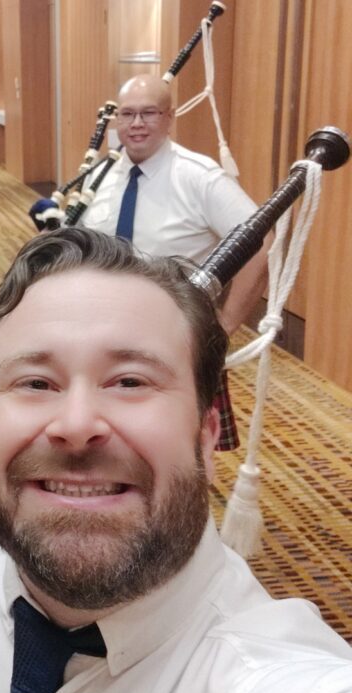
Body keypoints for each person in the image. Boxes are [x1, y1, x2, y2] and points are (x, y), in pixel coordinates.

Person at [0, 228, 352, 693]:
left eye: (129, 381)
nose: (76, 425)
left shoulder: (274, 680)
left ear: (207, 437)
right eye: (36, 383)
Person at [79, 74, 269, 450]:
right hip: (99, 336)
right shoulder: (98, 175)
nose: (136, 124)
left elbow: (262, 244)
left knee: (181, 454)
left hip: (174, 339)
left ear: (169, 117)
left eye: (148, 113)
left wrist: (225, 325)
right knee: (109, 446)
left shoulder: (199, 177)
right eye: (127, 114)